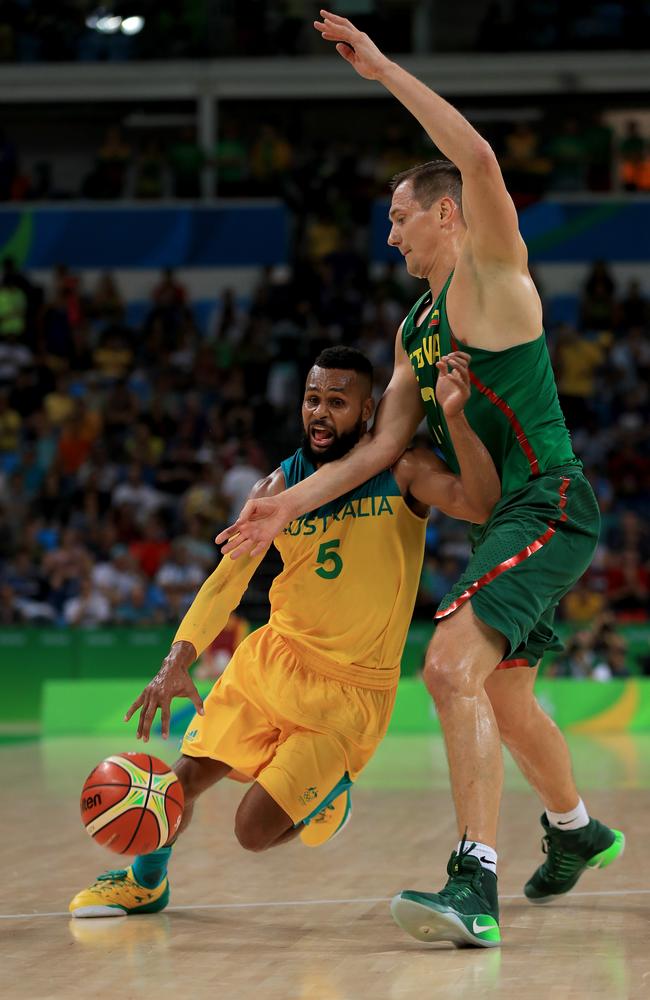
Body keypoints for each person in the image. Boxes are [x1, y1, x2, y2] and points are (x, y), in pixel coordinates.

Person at [216, 11, 625, 949]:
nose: (390, 233)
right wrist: (281, 505)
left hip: (550, 502)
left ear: (445, 214)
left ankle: (471, 885)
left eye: (399, 216)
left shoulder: (494, 276)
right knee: (509, 701)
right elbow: (373, 455)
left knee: (447, 665)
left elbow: (478, 157)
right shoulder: (414, 331)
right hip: (502, 520)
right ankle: (576, 833)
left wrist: (383, 69)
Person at [69, 345, 500, 918]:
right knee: (179, 782)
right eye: (312, 399)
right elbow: (229, 579)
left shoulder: (405, 471)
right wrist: (177, 658)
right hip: (271, 661)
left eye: (337, 402)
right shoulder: (278, 488)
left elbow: (481, 502)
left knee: (252, 831)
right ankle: (146, 882)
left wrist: (457, 417)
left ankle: (328, 796)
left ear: (368, 410)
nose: (320, 413)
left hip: (347, 696)